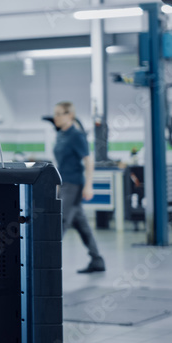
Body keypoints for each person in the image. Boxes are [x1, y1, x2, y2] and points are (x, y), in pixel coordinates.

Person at [52, 101, 106, 274]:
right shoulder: (61, 135)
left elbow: (88, 160)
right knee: (81, 224)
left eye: (60, 114)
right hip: (64, 184)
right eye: (55, 114)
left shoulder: (77, 135)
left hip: (74, 184)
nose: (56, 117)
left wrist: (89, 185)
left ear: (70, 115)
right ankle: (97, 260)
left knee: (60, 222)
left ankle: (47, 262)